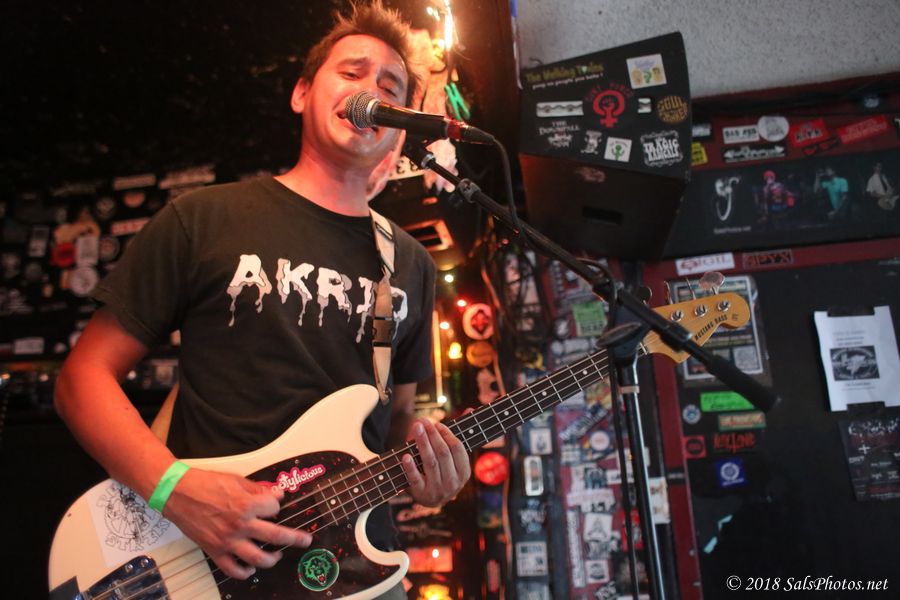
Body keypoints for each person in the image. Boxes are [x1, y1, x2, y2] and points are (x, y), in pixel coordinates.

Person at [53, 1, 471, 594]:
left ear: (400, 128)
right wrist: (175, 490)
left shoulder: (410, 263)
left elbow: (395, 420)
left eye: (389, 88)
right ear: (302, 93)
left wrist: (432, 471)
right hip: (205, 564)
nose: (370, 91)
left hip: (355, 572)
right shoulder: (205, 218)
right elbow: (82, 379)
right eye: (351, 72)